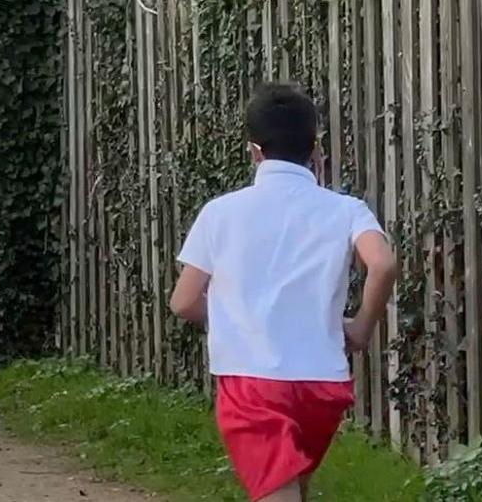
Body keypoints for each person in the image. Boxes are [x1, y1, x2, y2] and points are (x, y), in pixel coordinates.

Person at [170, 83, 399, 502]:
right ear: (316, 149)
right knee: (294, 483)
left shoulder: (220, 213)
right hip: (322, 383)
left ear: (254, 151)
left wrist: (236, 315)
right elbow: (382, 264)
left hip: (251, 381)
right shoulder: (347, 209)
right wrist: (362, 326)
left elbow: (183, 302)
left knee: (278, 490)